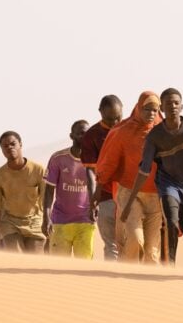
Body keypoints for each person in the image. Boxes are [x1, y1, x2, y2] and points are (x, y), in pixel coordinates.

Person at [119, 88, 183, 270]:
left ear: (182, 106)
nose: (172, 106)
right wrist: (127, 205)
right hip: (169, 184)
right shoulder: (155, 136)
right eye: (168, 104)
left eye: (176, 103)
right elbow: (144, 171)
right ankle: (170, 268)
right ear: (162, 110)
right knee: (172, 223)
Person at [98, 91, 163, 263]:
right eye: (147, 109)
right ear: (138, 108)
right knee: (135, 241)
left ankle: (147, 286)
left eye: (155, 110)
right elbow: (109, 160)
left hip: (155, 195)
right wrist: (99, 186)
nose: (151, 113)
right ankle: (125, 277)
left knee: (152, 250)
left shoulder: (164, 131)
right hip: (128, 192)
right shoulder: (123, 131)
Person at [0, 131, 47, 252]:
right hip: (10, 224)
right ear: (1, 150)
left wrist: (49, 225)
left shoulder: (39, 171)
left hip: (35, 223)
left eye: (13, 144)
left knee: (36, 262)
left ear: (20, 144)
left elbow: (46, 202)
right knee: (17, 258)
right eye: (5, 146)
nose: (9, 147)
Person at [79, 95, 124, 260]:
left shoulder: (129, 129)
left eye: (118, 118)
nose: (114, 123)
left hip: (129, 196)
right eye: (109, 119)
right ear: (100, 112)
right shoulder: (92, 135)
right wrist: (93, 198)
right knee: (111, 244)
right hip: (105, 196)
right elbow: (90, 171)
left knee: (131, 241)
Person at [43, 119, 96, 259]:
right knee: (58, 267)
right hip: (60, 221)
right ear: (72, 136)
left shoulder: (95, 159)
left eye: (88, 134)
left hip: (86, 221)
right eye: (81, 134)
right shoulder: (58, 159)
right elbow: (49, 191)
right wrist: (46, 218)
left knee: (84, 268)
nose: (85, 137)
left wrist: (96, 208)